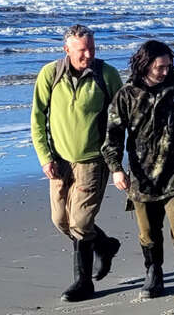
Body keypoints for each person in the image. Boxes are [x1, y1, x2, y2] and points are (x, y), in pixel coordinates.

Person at [102, 39, 174, 299]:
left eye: (169, 65)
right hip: (142, 178)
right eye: (160, 67)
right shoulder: (126, 95)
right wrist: (116, 169)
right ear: (145, 65)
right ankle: (153, 275)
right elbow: (112, 135)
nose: (166, 71)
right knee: (148, 232)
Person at [30, 24, 124, 302]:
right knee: (60, 221)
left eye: (92, 49)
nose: (88, 55)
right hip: (59, 161)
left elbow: (121, 120)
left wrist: (116, 161)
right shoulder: (50, 74)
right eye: (82, 50)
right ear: (67, 49)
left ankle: (83, 283)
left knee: (81, 223)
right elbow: (37, 119)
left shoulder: (106, 75)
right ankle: (105, 245)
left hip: (93, 161)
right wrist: (45, 157)